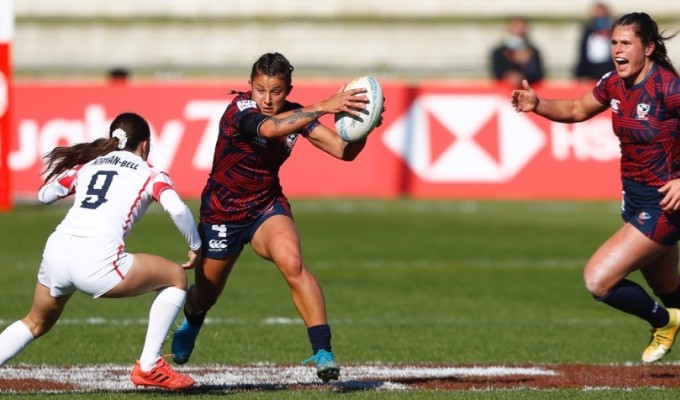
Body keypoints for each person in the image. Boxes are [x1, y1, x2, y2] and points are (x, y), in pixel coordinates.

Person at [171, 52, 383, 383]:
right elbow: (268, 130)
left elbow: (343, 151)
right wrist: (323, 105)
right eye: (260, 90)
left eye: (277, 92)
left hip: (266, 205)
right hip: (222, 213)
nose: (268, 99)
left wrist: (364, 126)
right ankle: (191, 320)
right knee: (205, 296)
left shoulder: (297, 113)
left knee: (293, 262)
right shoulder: (239, 111)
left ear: (288, 89)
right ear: (250, 86)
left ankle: (323, 352)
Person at [512, 12, 680, 363]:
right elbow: (575, 108)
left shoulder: (669, 87)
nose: (616, 50)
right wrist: (538, 104)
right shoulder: (614, 83)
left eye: (626, 43)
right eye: (614, 43)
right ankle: (672, 312)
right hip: (634, 199)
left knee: (598, 280)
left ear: (648, 48)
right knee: (669, 288)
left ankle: (665, 323)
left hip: (665, 203)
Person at [0, 112, 202, 390]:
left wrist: (77, 172)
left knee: (35, 322)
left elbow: (44, 195)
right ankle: (149, 365)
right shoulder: (150, 172)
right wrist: (196, 246)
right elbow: (178, 209)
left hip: (58, 251)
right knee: (176, 277)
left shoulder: (87, 166)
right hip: (97, 259)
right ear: (145, 146)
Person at [491, 16, 545, 89]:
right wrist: (509, 75)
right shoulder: (499, 51)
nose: (519, 31)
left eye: (522, 27)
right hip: (504, 93)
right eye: (516, 27)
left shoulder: (533, 51)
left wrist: (526, 64)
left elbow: (538, 74)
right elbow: (496, 72)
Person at [574, 2, 616, 83]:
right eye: (597, 15)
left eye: (602, 15)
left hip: (608, 68)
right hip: (591, 70)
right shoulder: (588, 32)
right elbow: (583, 54)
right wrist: (579, 74)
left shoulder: (613, 32)